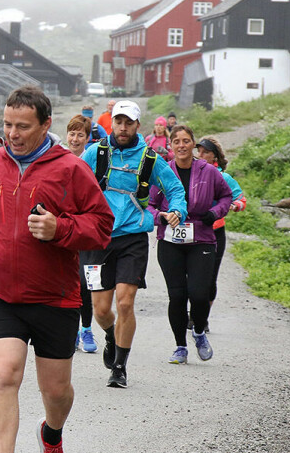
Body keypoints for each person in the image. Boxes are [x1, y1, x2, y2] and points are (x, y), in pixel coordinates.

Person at [0, 86, 113, 453]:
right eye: (7, 125)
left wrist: (60, 230)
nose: (13, 133)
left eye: (23, 126)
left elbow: (100, 226)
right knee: (4, 374)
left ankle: (52, 434)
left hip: (54, 297)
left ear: (45, 125)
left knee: (55, 390)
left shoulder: (71, 169)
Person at [80, 101, 187, 388]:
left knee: (125, 302)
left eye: (129, 122)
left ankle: (119, 367)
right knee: (101, 310)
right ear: (112, 123)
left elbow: (175, 188)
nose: (123, 128)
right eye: (119, 122)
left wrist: (178, 209)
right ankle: (110, 336)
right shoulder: (96, 153)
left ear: (138, 125)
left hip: (133, 238)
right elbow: (70, 180)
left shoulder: (149, 158)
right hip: (98, 237)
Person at [148, 125, 232, 364]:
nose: (181, 146)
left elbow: (227, 196)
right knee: (176, 296)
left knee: (198, 293)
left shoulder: (209, 172)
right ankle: (180, 346)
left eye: (186, 141)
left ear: (193, 145)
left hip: (201, 238)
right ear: (171, 146)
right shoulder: (162, 172)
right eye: (177, 142)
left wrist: (214, 213)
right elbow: (149, 204)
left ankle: (198, 332)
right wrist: (161, 217)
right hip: (170, 240)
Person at [196, 136, 247, 317]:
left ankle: (203, 317)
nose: (201, 155)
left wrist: (234, 205)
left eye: (206, 152)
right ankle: (194, 312)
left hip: (216, 232)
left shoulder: (223, 177)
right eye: (199, 151)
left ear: (214, 157)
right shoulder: (191, 174)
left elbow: (241, 199)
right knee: (192, 278)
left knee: (209, 278)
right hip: (194, 231)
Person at [64, 114, 100, 354]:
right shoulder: (57, 158)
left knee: (86, 282)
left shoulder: (93, 162)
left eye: (80, 135)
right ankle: (69, 330)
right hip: (63, 228)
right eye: (72, 133)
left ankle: (86, 328)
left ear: (87, 139)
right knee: (65, 282)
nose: (75, 139)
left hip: (86, 229)